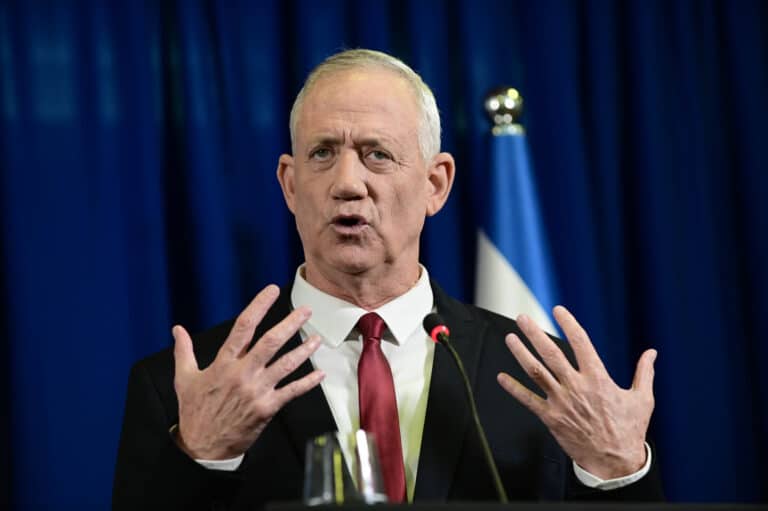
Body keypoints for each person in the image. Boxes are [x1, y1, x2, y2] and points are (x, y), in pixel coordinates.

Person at [113, 49, 663, 510]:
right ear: (290, 184)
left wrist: (619, 472)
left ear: (435, 184)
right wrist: (202, 458)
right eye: (322, 153)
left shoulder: (543, 380)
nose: (347, 183)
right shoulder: (185, 389)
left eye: (377, 155)